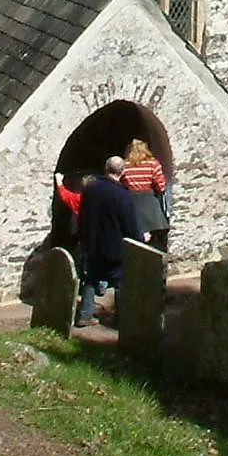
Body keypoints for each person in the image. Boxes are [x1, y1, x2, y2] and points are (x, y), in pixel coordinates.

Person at [76, 157, 142, 327]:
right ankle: (121, 320)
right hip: (115, 246)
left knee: (91, 279)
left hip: (93, 243)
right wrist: (140, 238)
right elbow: (130, 223)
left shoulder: (91, 189)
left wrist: (82, 238)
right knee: (120, 281)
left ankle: (85, 314)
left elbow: (82, 216)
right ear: (123, 171)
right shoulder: (122, 194)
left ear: (105, 168)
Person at [122, 137, 170, 249]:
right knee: (157, 242)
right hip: (150, 204)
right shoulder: (153, 164)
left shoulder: (125, 165)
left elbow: (121, 184)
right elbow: (161, 186)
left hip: (131, 203)